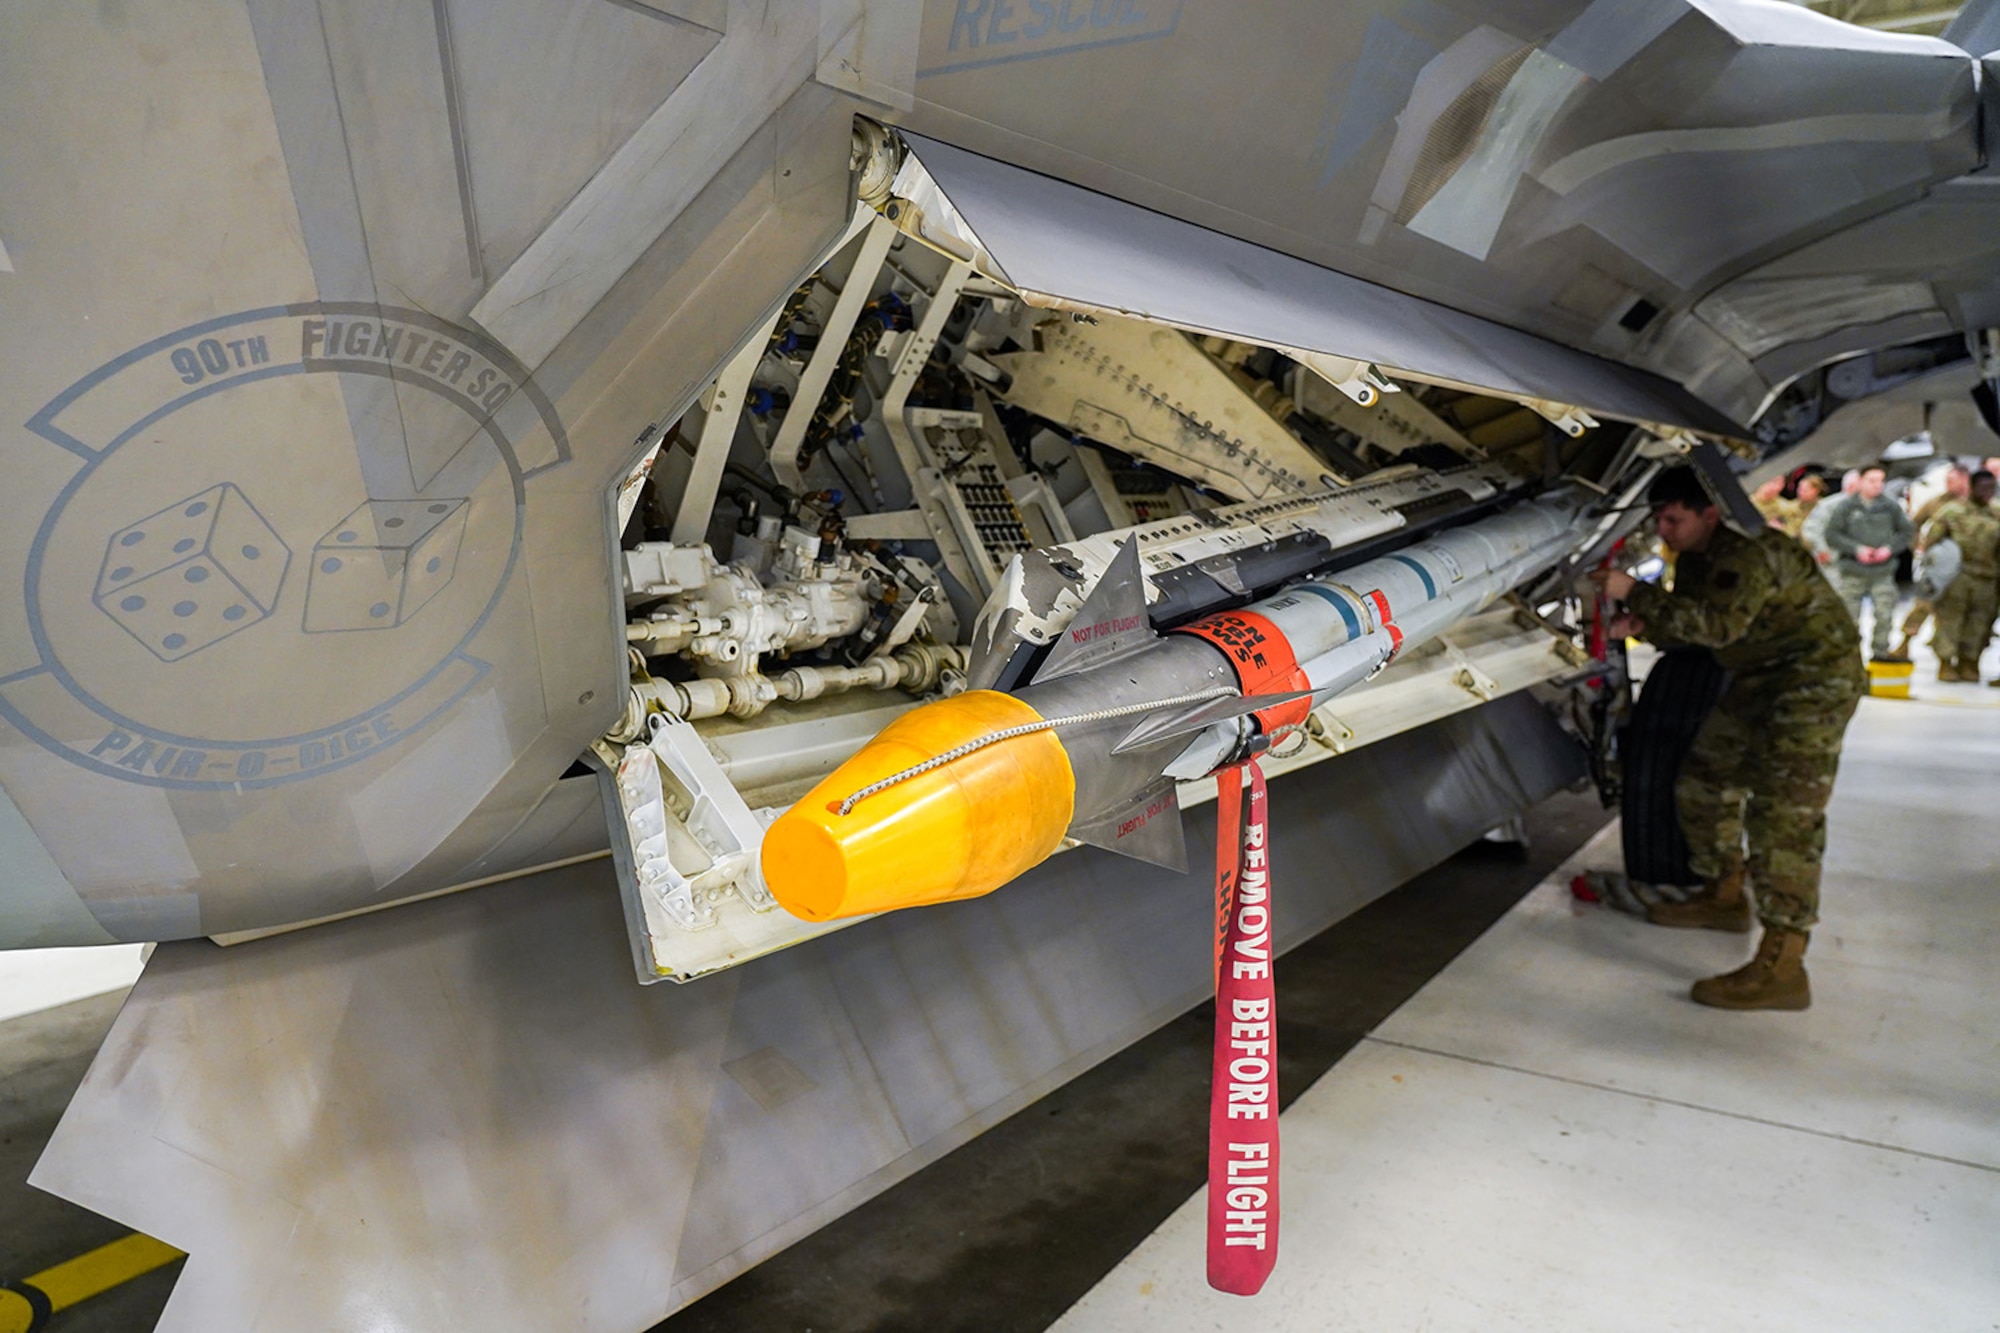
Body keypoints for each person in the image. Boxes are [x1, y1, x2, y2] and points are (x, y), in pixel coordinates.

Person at [1592, 467, 1864, 1010]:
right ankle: (1723, 894)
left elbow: (1718, 628)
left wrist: (1634, 592)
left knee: (1784, 818)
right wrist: (1643, 625)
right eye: (1660, 518)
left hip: (1815, 678)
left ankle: (1784, 964)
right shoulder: (1697, 556)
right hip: (1761, 676)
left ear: (1708, 514)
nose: (1665, 529)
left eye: (1675, 518)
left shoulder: (1746, 551)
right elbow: (1693, 623)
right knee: (1705, 779)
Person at [1821, 464, 1914, 659]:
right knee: (1848, 618)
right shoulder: (1846, 507)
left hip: (1882, 572)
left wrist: (1889, 548)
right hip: (1852, 571)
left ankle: (1880, 653)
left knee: (1884, 615)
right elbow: (1832, 535)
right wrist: (1856, 549)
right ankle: (1849, 656)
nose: (1877, 486)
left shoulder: (1890, 507)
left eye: (1881, 481)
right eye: (1872, 481)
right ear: (1861, 481)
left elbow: (1906, 532)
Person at [1922, 469, 2000, 681]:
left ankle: (1969, 662)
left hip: (1987, 578)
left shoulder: (1997, 513)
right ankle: (1946, 662)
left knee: (1979, 623)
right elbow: (1932, 544)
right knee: (1950, 621)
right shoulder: (1952, 512)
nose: (1988, 492)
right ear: (1972, 487)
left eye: (1992, 488)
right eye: (1983, 488)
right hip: (1957, 576)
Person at [1893, 465, 1973, 660]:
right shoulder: (1937, 502)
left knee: (1961, 612)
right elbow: (1914, 524)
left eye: (1953, 480)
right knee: (1923, 604)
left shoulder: (1977, 502)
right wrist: (1918, 546)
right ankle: (1905, 642)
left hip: (1969, 567)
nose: (1948, 484)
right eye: (1947, 480)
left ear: (1965, 480)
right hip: (1938, 567)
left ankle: (1955, 658)